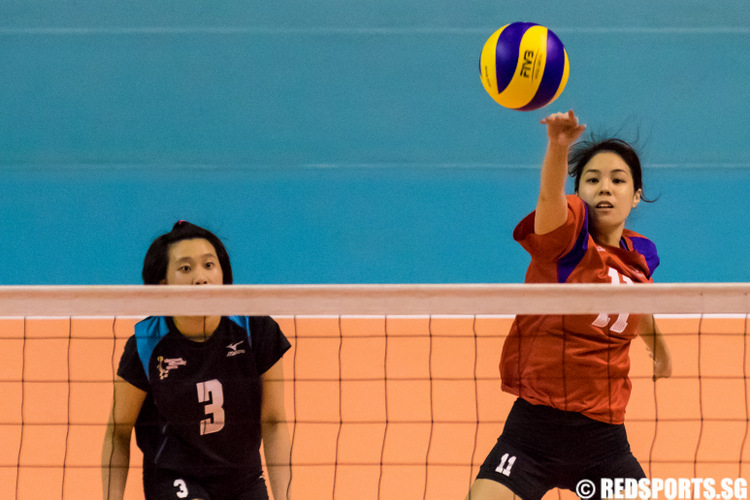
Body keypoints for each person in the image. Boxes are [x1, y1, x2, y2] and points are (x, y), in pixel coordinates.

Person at [466, 111, 672, 500]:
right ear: (579, 193)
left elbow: (634, 300)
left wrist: (660, 349)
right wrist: (559, 148)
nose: (604, 188)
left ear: (636, 194)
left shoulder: (640, 255)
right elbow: (549, 199)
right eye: (592, 180)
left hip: (603, 444)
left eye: (618, 180)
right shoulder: (565, 239)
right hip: (531, 436)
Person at [102, 221, 292, 500]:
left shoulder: (256, 330)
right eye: (185, 268)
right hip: (175, 476)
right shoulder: (147, 343)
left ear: (223, 274)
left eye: (209, 265)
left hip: (242, 478)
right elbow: (117, 432)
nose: (201, 277)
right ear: (163, 284)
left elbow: (274, 421)